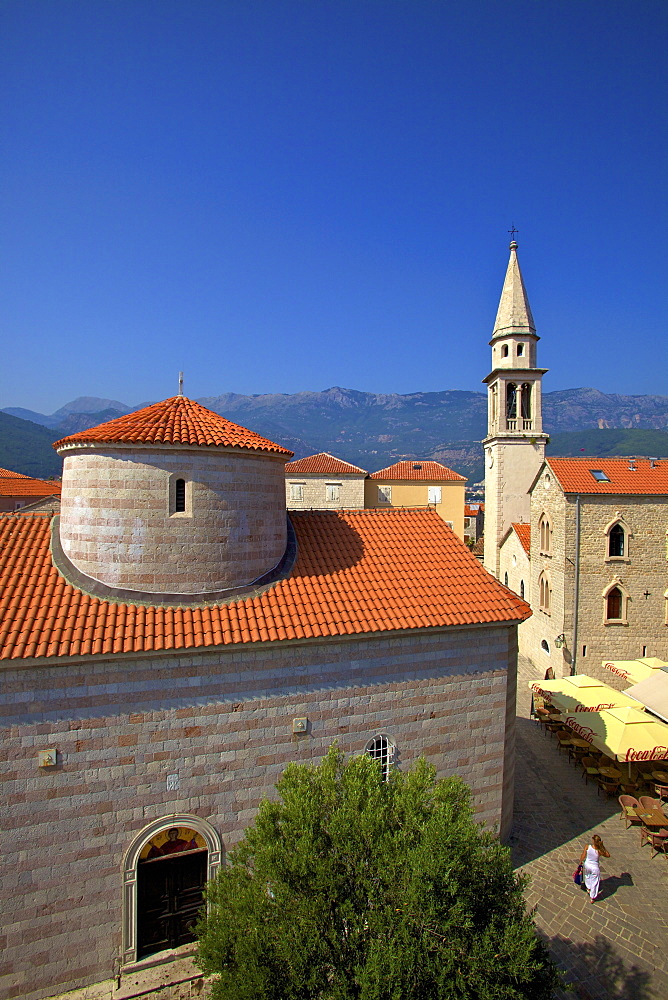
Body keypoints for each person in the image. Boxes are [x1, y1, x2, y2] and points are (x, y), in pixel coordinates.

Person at [578, 834, 610, 903]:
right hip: (594, 867)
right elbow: (608, 855)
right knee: (595, 882)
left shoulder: (587, 847)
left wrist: (580, 863)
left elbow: (583, 855)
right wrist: (602, 846)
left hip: (587, 865)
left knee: (587, 876)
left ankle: (588, 888)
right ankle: (592, 897)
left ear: (593, 841)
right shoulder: (599, 850)